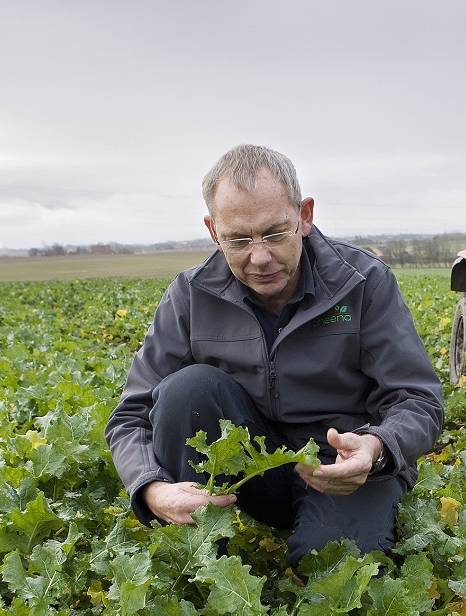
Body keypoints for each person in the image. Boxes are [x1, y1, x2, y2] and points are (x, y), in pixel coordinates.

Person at [105, 144, 444, 570]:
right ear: (213, 231)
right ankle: (201, 557)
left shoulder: (362, 282)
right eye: (239, 239)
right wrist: (153, 488)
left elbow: (419, 400)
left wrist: (375, 448)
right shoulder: (191, 295)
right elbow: (130, 415)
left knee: (330, 569)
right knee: (185, 389)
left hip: (346, 471)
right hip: (254, 475)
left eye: (274, 233)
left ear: (304, 215)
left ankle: (327, 530)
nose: (259, 256)